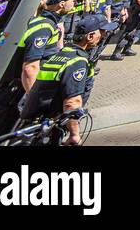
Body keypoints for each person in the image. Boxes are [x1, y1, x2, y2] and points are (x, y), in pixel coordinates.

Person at [0, 0, 80, 145]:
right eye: (73, 0)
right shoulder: (43, 27)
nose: (75, 3)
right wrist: (33, 99)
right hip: (12, 94)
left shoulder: (37, 22)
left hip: (6, 89)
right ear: (61, 4)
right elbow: (30, 67)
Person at [15, 13, 117, 145]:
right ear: (90, 36)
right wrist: (74, 134)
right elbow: (72, 103)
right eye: (102, 32)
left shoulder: (61, 55)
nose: (104, 36)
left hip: (36, 124)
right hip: (48, 128)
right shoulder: (77, 62)